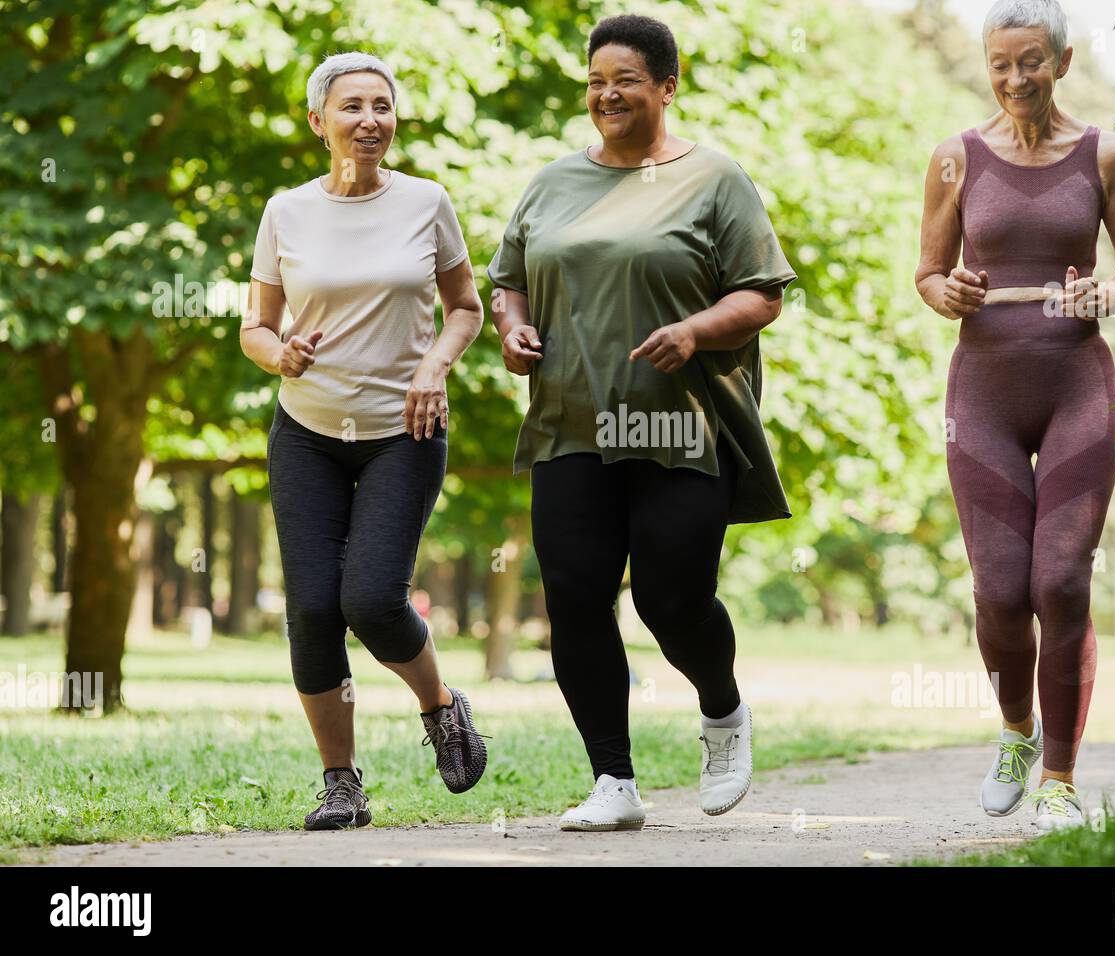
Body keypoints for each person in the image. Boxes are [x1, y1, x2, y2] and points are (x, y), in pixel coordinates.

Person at [487, 14, 796, 831]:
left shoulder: (715, 179)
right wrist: (512, 329)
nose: (606, 94)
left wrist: (695, 330)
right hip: (570, 425)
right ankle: (612, 781)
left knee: (672, 596)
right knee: (576, 596)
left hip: (677, 428)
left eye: (624, 79)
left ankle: (724, 712)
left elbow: (761, 290)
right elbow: (508, 279)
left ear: (668, 83)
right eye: (594, 81)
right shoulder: (553, 181)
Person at [915, 0, 1115, 830]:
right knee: (999, 590)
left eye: (1031, 62)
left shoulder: (1106, 153)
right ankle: (1017, 731)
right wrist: (945, 291)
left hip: (1074, 386)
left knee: (1060, 580)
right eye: (1000, 64)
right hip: (981, 392)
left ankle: (1059, 778)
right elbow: (929, 275)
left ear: (1062, 60)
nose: (1015, 79)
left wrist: (1109, 290)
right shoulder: (955, 158)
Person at [240, 52, 488, 830]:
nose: (370, 120)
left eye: (382, 106)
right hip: (307, 432)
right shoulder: (286, 211)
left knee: (373, 598)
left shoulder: (427, 202)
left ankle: (441, 707)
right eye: (352, 107)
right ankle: (341, 784)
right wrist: (279, 354)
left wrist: (434, 368)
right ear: (319, 122)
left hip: (403, 431)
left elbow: (466, 308)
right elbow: (255, 326)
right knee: (314, 608)